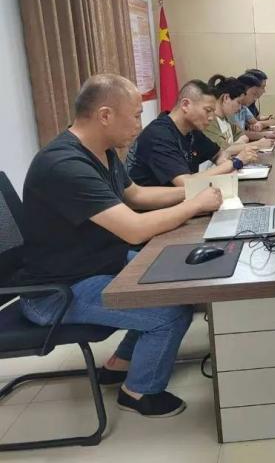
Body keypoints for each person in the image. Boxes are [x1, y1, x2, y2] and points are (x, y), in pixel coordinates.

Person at [18, 74, 223, 417]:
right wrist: (194, 205)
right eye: (136, 115)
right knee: (169, 312)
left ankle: (120, 364)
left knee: (177, 277)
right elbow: (135, 229)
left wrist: (196, 192)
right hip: (55, 292)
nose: (140, 126)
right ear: (105, 115)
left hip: (96, 264)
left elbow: (136, 195)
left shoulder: (102, 152)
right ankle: (139, 392)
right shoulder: (65, 165)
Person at [127, 79, 258, 187]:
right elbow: (186, 183)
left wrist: (224, 163)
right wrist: (234, 163)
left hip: (183, 200)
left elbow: (218, 154)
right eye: (208, 110)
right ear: (185, 105)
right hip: (155, 208)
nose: (211, 117)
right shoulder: (159, 135)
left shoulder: (192, 130)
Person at [203, 75, 271, 156]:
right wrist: (258, 145)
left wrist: (233, 147)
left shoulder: (227, 117)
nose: (239, 108)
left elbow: (244, 137)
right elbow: (222, 151)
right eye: (238, 102)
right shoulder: (209, 121)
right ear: (226, 98)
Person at [232, 73, 275, 141]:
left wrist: (258, 126)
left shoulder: (244, 107)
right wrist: (270, 133)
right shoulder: (231, 109)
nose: (255, 99)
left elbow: (256, 123)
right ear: (242, 92)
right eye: (254, 94)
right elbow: (239, 135)